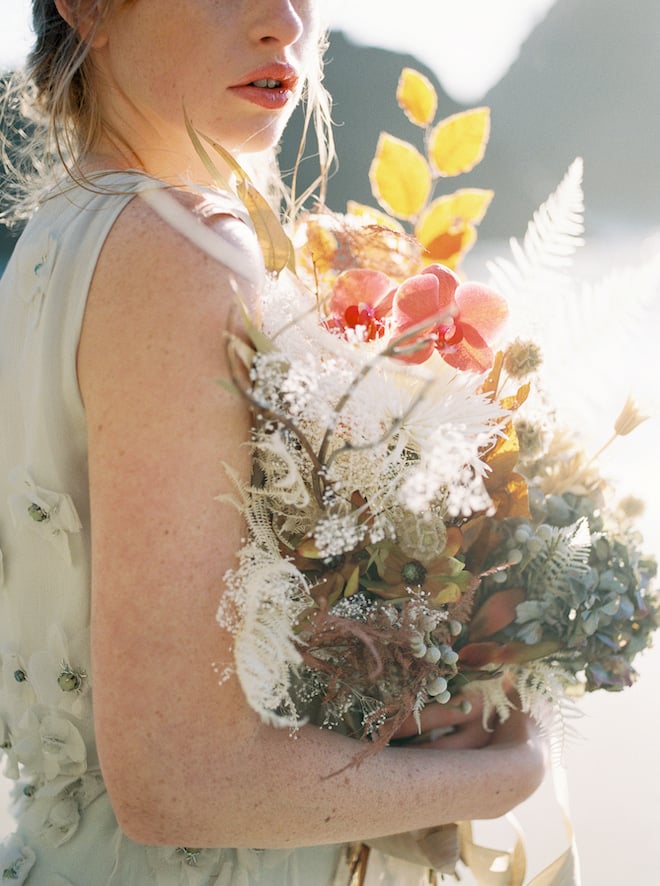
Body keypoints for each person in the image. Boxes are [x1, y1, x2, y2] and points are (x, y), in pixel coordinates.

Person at [0, 2, 545, 884]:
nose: (284, 22)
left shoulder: (59, 238)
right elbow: (177, 780)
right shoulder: (175, 254)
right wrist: (500, 774)